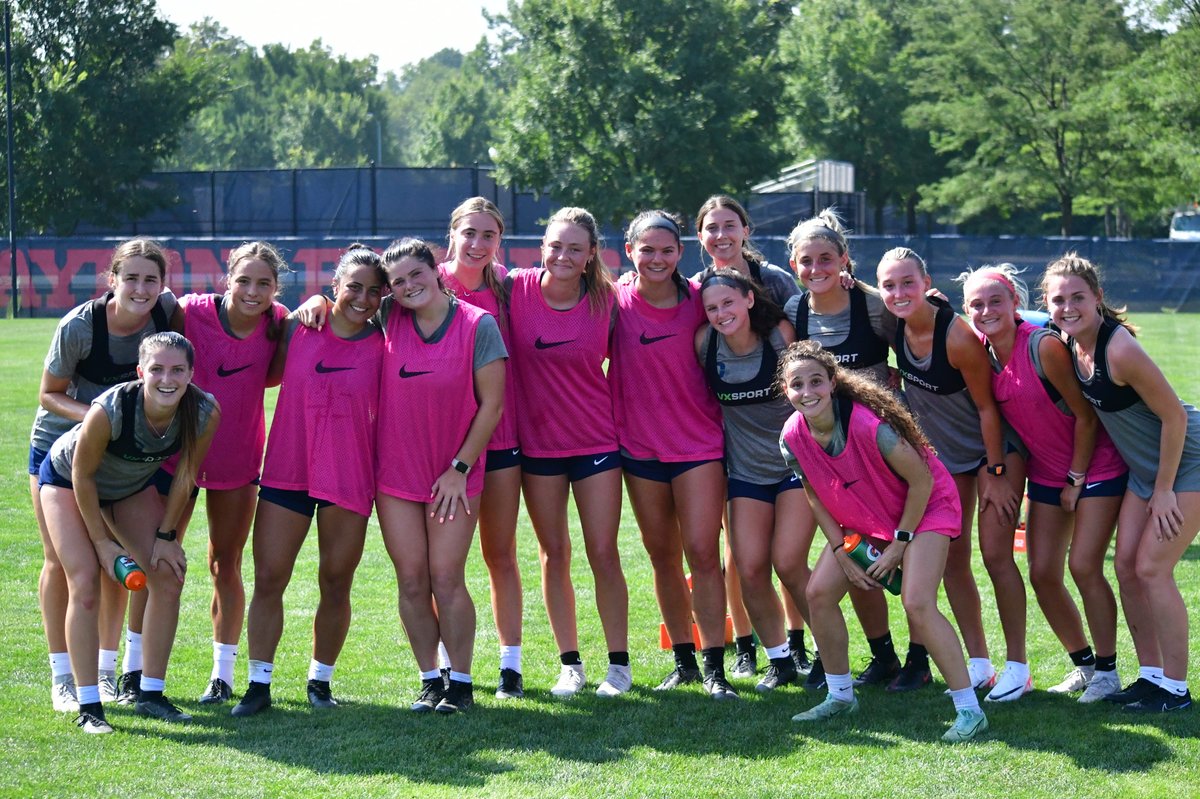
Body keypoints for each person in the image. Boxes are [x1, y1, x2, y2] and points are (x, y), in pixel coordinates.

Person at [780, 341, 988, 743]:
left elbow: (923, 481)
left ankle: (970, 710)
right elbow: (814, 494)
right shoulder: (791, 435)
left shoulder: (867, 425)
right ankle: (841, 696)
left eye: (816, 382)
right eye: (797, 385)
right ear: (785, 390)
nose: (808, 393)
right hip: (869, 514)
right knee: (818, 593)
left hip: (926, 508)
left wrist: (900, 544)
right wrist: (840, 550)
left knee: (917, 602)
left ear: (833, 383)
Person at [230, 245, 385, 717]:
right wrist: (310, 304)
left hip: (349, 476)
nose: (362, 298)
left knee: (336, 583)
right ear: (334, 285)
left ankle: (320, 681)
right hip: (287, 472)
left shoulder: (386, 342)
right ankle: (258, 686)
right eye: (353, 287)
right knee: (269, 580)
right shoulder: (297, 326)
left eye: (373, 292)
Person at [960, 264, 1127, 702]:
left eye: (996, 301)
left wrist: (1076, 478)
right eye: (976, 304)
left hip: (1095, 468)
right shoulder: (979, 350)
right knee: (1042, 574)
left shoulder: (1043, 346)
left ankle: (1109, 673)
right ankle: (1086, 666)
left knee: (1084, 566)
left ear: (1016, 302)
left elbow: (1087, 418)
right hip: (1047, 476)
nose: (986, 310)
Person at [39, 332, 219, 733]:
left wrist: (166, 537)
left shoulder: (204, 410)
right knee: (84, 580)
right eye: (156, 369)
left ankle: (150, 693)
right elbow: (83, 476)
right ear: (141, 372)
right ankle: (89, 704)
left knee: (168, 575)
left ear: (191, 373)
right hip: (69, 482)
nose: (166, 379)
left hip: (129, 486)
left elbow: (187, 473)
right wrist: (102, 543)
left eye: (177, 370)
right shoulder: (110, 409)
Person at [1042, 253, 1199, 712]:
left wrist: (1165, 488)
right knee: (1126, 569)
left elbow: (1174, 416)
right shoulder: (1068, 341)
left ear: (1099, 298)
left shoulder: (1120, 349)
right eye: (1058, 300)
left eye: (1078, 298)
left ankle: (1176, 689)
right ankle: (1150, 678)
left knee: (1152, 568)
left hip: (1187, 461)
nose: (1068, 307)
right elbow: (1006, 315)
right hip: (1147, 471)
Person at [29, 238, 177, 713]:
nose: (140, 287)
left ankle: (107, 672)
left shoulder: (165, 313)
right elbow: (49, 393)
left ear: (162, 284)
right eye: (130, 277)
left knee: (121, 570)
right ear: (112, 280)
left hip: (124, 458)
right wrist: (101, 418)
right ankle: (63, 678)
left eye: (150, 279)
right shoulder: (81, 325)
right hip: (59, 448)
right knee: (68, 565)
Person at [877, 247, 1022, 694]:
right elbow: (862, 294)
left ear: (926, 284)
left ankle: (1018, 666)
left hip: (992, 453)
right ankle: (979, 662)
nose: (899, 293)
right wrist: (845, 278)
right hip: (945, 460)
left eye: (908, 283)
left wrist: (996, 471)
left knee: (997, 555)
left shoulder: (956, 337)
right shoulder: (893, 324)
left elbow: (987, 408)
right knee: (953, 561)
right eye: (889, 285)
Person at [374, 238, 506, 714]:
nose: (410, 286)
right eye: (398, 282)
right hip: (395, 474)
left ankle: (463, 684)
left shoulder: (478, 324)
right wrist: (313, 303)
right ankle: (431, 679)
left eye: (416, 274)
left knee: (446, 577)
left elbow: (492, 405)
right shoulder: (387, 318)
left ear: (436, 269)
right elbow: (341, 306)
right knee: (411, 580)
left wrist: (459, 468)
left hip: (453, 474)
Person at [610, 210, 736, 700]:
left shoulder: (702, 300)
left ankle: (714, 667)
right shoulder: (614, 302)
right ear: (630, 252)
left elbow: (760, 306)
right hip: (639, 449)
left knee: (703, 554)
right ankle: (682, 661)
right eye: (647, 250)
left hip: (699, 447)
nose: (657, 259)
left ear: (681, 253)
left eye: (667, 250)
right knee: (661, 555)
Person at [507, 207, 630, 697]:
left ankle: (618, 666)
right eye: (555, 245)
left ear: (590, 255)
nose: (563, 255)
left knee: (603, 552)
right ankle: (570, 664)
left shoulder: (609, 299)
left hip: (597, 442)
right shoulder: (513, 288)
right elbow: (450, 276)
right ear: (542, 249)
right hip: (537, 447)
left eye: (574, 248)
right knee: (553, 553)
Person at [164, 242, 289, 705]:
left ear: (276, 289)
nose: (252, 292)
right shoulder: (189, 313)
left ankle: (222, 675)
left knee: (225, 564)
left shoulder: (279, 324)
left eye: (264, 284)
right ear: (227, 279)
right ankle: (138, 670)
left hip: (237, 458)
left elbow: (274, 375)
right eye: (244, 280)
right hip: (173, 456)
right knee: (160, 559)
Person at [783, 211, 900, 691]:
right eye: (807, 261)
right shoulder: (795, 311)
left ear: (844, 261)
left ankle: (902, 657)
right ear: (794, 265)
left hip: (879, 459)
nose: (817, 268)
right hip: (821, 460)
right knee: (793, 558)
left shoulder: (873, 307)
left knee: (875, 558)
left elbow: (915, 339)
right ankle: (846, 654)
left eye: (826, 258)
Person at [694, 195, 805, 678]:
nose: (721, 235)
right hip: (735, 457)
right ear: (699, 237)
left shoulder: (777, 284)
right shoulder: (694, 291)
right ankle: (752, 648)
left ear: (745, 229)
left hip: (793, 459)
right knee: (744, 559)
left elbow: (816, 323)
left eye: (729, 225)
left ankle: (803, 645)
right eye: (711, 228)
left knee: (788, 560)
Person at [441, 198, 526, 699]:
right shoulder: (423, 282)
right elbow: (356, 303)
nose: (477, 244)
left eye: (488, 235)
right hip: (440, 448)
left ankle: (510, 666)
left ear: (500, 241)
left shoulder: (511, 288)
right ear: (451, 233)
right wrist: (317, 303)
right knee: (441, 567)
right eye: (469, 233)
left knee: (500, 554)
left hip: (502, 439)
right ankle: (444, 669)